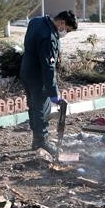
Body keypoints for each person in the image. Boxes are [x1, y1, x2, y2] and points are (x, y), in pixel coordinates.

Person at [19, 10, 78, 156]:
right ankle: (41, 140)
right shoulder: (49, 37)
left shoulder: (36, 21)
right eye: (67, 30)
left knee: (33, 106)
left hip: (26, 71)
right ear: (62, 23)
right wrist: (54, 93)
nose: (65, 33)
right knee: (41, 109)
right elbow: (48, 68)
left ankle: (36, 139)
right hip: (38, 77)